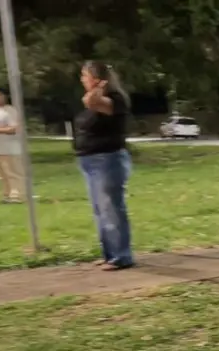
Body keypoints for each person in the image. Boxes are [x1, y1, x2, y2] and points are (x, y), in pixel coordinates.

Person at [74, 61, 134, 271]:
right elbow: (88, 102)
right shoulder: (97, 99)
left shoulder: (116, 100)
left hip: (108, 160)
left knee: (112, 209)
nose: (81, 79)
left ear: (97, 79)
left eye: (84, 75)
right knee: (100, 210)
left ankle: (121, 256)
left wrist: (97, 90)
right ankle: (109, 254)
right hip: (90, 160)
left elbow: (90, 102)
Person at [0, 88, 24, 203]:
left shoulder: (10, 110)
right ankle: (6, 194)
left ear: (3, 96)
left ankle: (17, 195)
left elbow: (14, 128)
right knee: (0, 173)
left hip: (9, 148)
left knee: (12, 172)